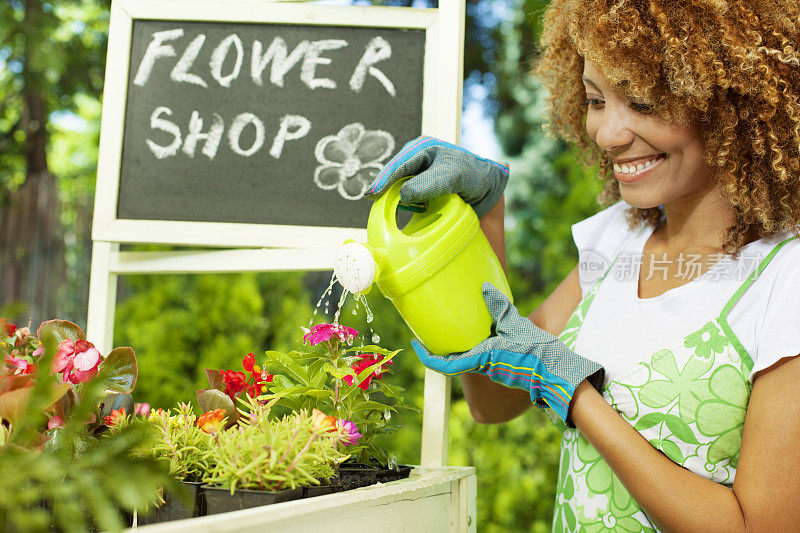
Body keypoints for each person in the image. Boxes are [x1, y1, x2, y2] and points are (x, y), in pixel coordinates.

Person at [366, 0, 800, 531]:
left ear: (733, 102)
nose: (608, 133)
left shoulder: (785, 280)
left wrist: (578, 400)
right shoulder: (616, 242)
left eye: (641, 102)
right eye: (596, 100)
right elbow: (495, 400)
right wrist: (486, 219)